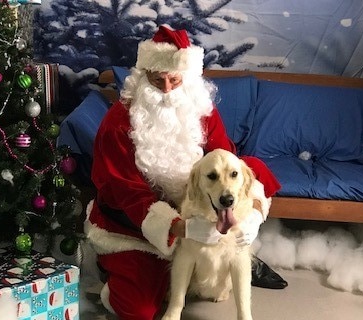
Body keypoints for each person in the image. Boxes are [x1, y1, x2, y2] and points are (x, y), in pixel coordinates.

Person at [85, 25, 287, 320]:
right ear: (143, 77)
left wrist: (254, 212)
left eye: (174, 80)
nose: (166, 90)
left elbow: (225, 161)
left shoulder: (201, 109)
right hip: (133, 224)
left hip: (194, 207)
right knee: (140, 310)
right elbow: (122, 191)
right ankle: (114, 270)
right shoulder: (118, 122)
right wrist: (180, 228)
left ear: (187, 78)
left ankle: (234, 258)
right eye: (157, 80)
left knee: (252, 168)